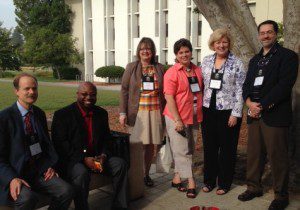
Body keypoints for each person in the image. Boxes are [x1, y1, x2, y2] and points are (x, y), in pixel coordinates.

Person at [238, 20, 298, 210]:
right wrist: (248, 103)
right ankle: (253, 187)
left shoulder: (288, 56)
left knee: (277, 156)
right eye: (262, 33)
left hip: (275, 114)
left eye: (269, 32)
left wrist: (261, 105)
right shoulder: (255, 60)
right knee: (254, 155)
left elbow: (284, 86)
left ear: (275, 34)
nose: (265, 36)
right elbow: (246, 85)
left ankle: (281, 195)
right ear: (258, 35)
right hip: (254, 114)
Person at [0, 73, 73, 210]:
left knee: (66, 191)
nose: (32, 92)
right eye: (26, 89)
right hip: (16, 172)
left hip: (38, 171)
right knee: (28, 198)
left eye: (34, 88)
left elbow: (46, 146)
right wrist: (11, 178)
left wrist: (51, 165)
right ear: (16, 91)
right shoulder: (4, 118)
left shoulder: (39, 114)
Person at [51, 82, 128, 210]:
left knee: (120, 164)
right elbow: (61, 145)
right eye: (84, 94)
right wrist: (84, 159)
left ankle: (120, 206)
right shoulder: (63, 115)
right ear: (77, 94)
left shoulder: (101, 113)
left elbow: (106, 139)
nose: (88, 97)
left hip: (98, 157)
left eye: (92, 95)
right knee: (81, 173)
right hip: (74, 160)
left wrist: (103, 155)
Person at [200, 29, 246, 195]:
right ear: (213, 44)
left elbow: (241, 89)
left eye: (224, 42)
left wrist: (236, 113)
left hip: (228, 112)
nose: (221, 45)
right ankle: (209, 181)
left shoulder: (237, 63)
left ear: (229, 44)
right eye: (218, 42)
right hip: (208, 110)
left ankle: (224, 184)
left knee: (227, 150)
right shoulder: (205, 61)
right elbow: (201, 85)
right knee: (210, 148)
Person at [119, 37, 166, 187]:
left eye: (149, 49)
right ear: (138, 51)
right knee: (137, 145)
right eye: (142, 49)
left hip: (155, 111)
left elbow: (165, 90)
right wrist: (122, 112)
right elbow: (124, 90)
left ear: (153, 52)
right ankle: (135, 174)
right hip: (137, 112)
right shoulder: (132, 67)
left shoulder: (159, 67)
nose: (145, 51)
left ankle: (146, 174)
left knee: (151, 144)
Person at [163, 38, 203, 198]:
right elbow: (169, 98)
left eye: (187, 51)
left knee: (190, 149)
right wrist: (177, 120)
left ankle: (177, 178)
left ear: (191, 52)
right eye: (181, 52)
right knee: (182, 151)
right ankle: (191, 181)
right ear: (176, 55)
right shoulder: (172, 73)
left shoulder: (197, 70)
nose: (184, 54)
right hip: (176, 117)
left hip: (194, 115)